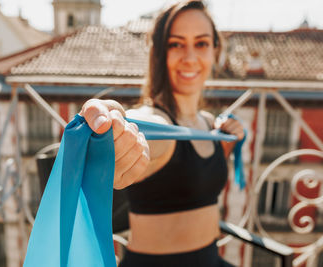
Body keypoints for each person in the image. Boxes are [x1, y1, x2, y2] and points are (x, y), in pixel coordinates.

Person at [79, 1, 244, 266]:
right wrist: (115, 132)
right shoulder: (157, 124)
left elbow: (195, 182)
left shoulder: (208, 123)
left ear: (215, 51)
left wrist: (225, 142)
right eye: (176, 44)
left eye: (201, 43)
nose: (190, 57)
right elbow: (140, 128)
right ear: (159, 53)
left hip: (212, 259)